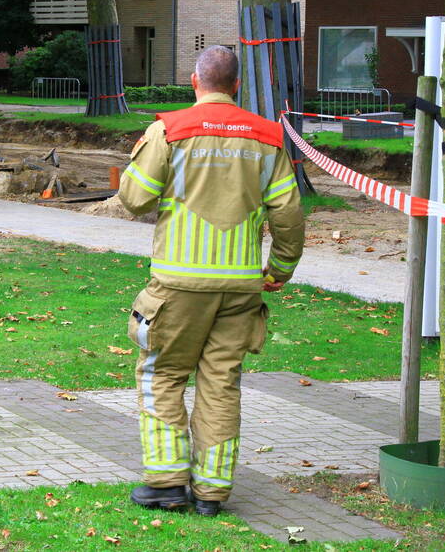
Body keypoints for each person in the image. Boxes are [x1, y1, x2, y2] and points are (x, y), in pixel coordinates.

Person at [118, 45, 305, 517]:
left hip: (178, 287)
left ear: (195, 82)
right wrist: (279, 271)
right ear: (237, 86)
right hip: (241, 289)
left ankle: (166, 483)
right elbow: (288, 215)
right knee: (221, 384)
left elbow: (135, 198)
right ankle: (211, 493)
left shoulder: (169, 130)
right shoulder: (268, 138)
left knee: (161, 375)